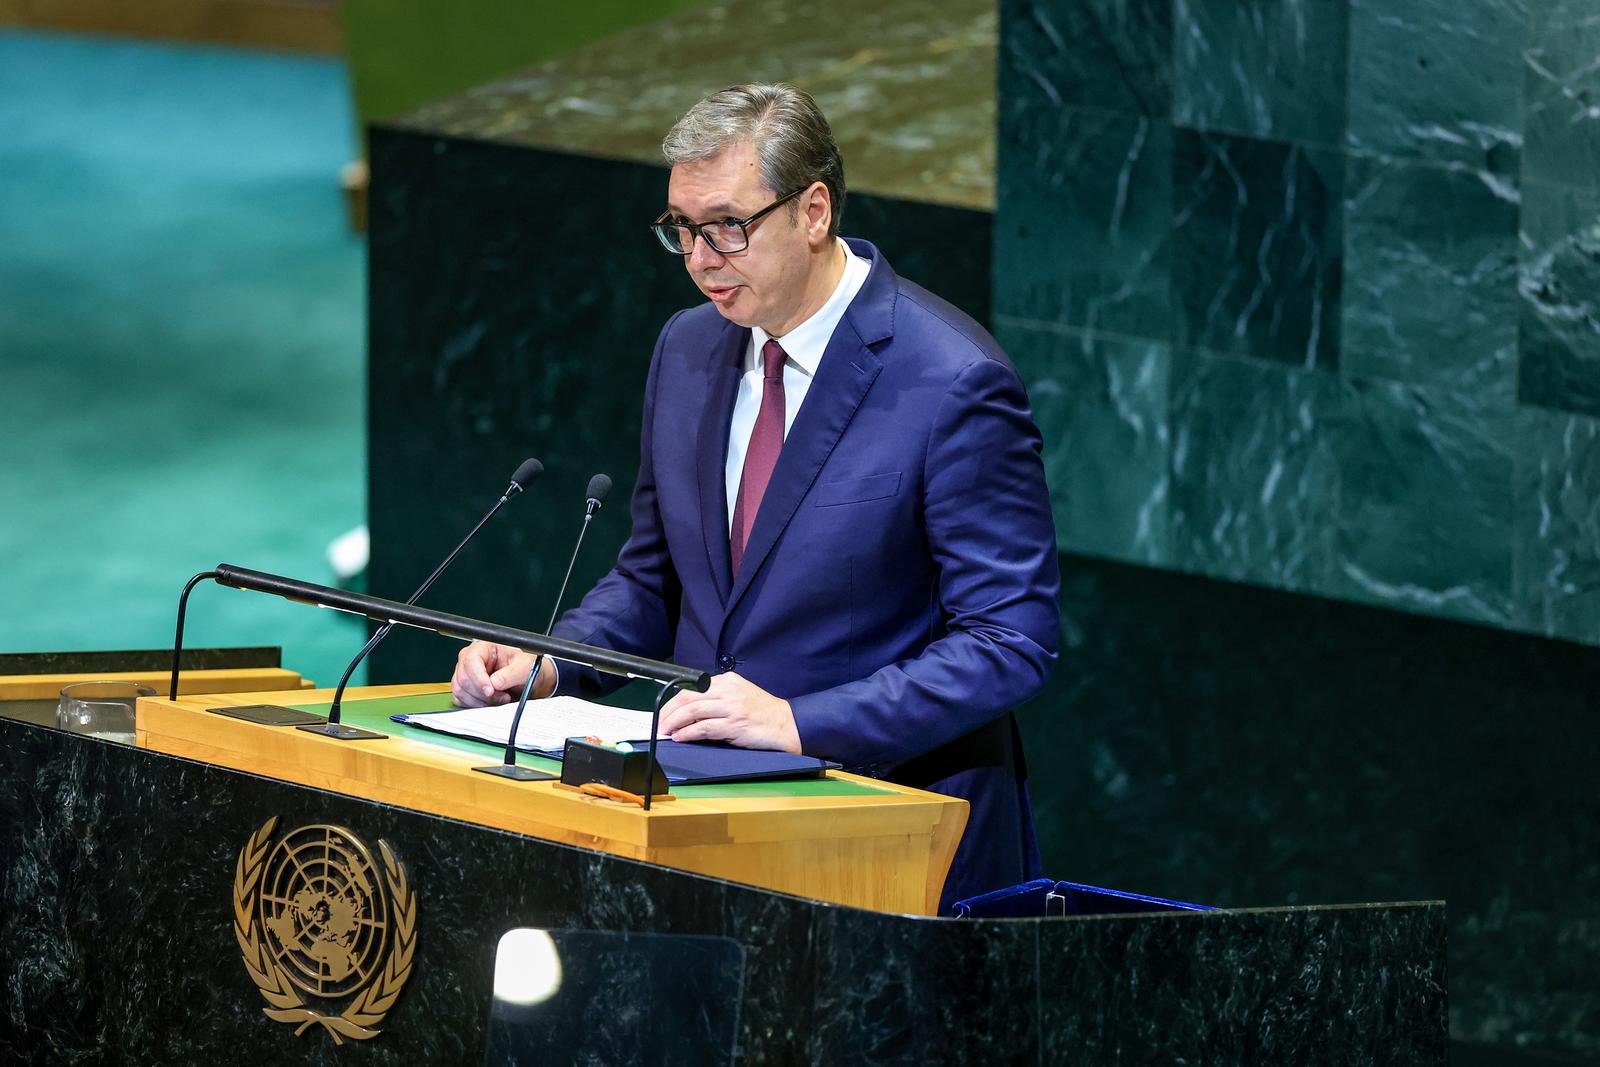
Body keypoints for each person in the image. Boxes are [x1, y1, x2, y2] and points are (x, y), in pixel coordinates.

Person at [451, 83, 1060, 912]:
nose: (701, 258)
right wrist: (552, 661)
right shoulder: (687, 347)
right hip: (699, 829)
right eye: (682, 229)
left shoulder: (952, 380)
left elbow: (1009, 639)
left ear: (813, 212)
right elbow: (655, 580)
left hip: (887, 840)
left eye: (727, 226)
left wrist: (800, 722)